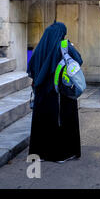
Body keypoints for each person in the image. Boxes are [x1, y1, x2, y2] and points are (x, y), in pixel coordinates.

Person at [27, 22, 83, 163]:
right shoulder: (64, 46)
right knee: (61, 121)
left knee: (42, 122)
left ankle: (40, 154)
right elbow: (78, 61)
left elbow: (32, 68)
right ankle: (61, 155)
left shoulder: (39, 49)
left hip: (41, 93)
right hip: (61, 93)